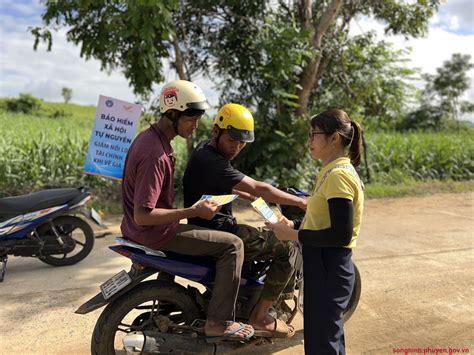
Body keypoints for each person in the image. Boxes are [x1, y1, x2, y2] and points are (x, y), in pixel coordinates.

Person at [120, 80, 254, 342]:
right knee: (233, 246)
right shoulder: (155, 154)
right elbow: (143, 215)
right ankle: (218, 323)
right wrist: (191, 211)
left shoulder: (153, 140)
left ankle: (168, 301)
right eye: (191, 118)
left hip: (143, 230)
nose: (196, 125)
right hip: (153, 232)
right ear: (173, 114)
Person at [182, 103, 307, 338]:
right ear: (216, 131)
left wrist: (269, 214)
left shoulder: (206, 152)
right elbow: (259, 187)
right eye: (232, 140)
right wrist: (301, 202)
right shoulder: (213, 162)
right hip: (220, 232)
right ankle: (260, 317)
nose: (236, 147)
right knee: (287, 247)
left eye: (241, 143)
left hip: (211, 227)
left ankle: (247, 300)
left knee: (266, 233)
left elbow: (243, 191)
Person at [267, 109, 364, 354]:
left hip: (329, 265)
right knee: (323, 337)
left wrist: (294, 235)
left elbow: (340, 235)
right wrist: (293, 226)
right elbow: (324, 223)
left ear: (335, 138)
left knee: (323, 342)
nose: (309, 141)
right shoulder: (331, 172)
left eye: (314, 134)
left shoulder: (339, 176)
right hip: (323, 264)